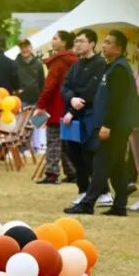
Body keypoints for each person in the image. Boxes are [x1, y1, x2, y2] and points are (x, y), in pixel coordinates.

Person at [65, 30, 139, 216]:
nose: (103, 45)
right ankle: (120, 206)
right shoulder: (112, 66)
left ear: (118, 48)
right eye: (104, 42)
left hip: (115, 126)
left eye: (108, 42)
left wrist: (107, 125)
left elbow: (117, 101)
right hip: (115, 125)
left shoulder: (119, 69)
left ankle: (88, 203)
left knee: (100, 163)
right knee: (117, 166)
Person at [61, 28, 108, 204]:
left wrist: (73, 109)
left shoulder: (100, 63)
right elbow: (65, 86)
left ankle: (103, 191)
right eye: (76, 41)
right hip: (74, 116)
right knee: (73, 152)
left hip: (90, 115)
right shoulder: (76, 65)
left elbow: (92, 90)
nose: (77, 44)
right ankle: (83, 189)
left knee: (89, 153)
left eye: (81, 41)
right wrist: (71, 99)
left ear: (92, 43)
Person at [35, 30, 78, 185]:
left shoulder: (58, 62)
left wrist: (41, 105)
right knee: (68, 143)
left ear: (64, 42)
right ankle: (73, 172)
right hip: (72, 107)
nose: (52, 41)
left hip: (56, 106)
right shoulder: (76, 60)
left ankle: (52, 173)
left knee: (53, 141)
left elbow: (50, 86)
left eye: (55, 39)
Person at [15, 39, 45, 108]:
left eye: (26, 47)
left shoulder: (38, 64)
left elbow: (42, 83)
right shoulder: (15, 65)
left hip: (36, 100)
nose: (24, 50)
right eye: (22, 48)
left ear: (31, 47)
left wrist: (42, 99)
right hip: (22, 101)